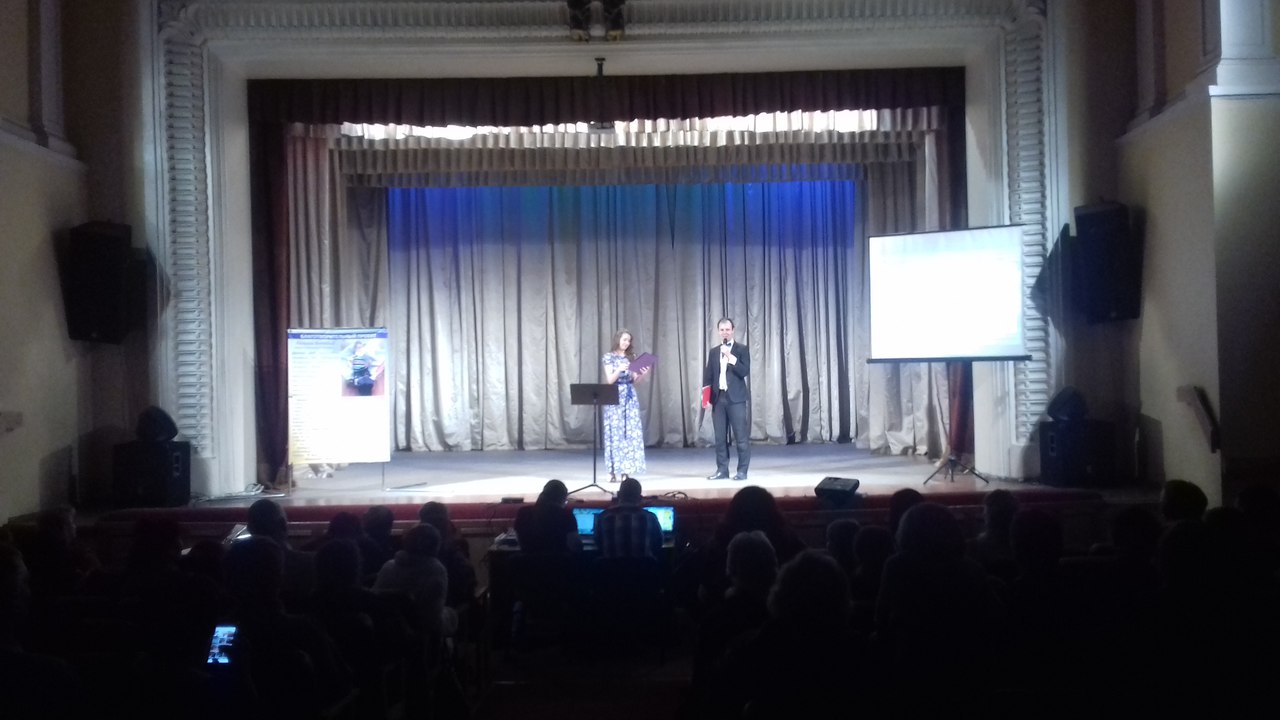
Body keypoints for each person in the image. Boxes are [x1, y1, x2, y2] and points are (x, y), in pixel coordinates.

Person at [703, 317, 751, 480]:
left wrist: (730, 356)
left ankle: (742, 471)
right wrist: (706, 399)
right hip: (719, 399)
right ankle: (722, 470)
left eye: (727, 329)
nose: (725, 332)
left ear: (733, 330)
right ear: (718, 332)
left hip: (736, 399)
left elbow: (744, 371)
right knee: (719, 438)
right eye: (722, 330)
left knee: (741, 437)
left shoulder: (741, 349)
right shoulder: (713, 352)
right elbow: (708, 376)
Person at [601, 329, 649, 482]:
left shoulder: (631, 357)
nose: (626, 343)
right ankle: (612, 471)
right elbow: (610, 380)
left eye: (629, 340)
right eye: (624, 340)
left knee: (628, 434)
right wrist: (619, 369)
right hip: (614, 397)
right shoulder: (609, 357)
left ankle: (625, 470)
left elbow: (634, 380)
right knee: (614, 434)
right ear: (618, 340)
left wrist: (642, 373)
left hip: (629, 397)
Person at [596, 478, 663, 559]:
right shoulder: (650, 517)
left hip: (611, 567)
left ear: (618, 495)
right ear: (640, 498)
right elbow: (658, 545)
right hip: (643, 566)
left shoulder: (603, 517)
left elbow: (599, 544)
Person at [513, 479, 581, 554]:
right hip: (558, 560)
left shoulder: (523, 512)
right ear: (561, 498)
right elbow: (575, 545)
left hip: (528, 560)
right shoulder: (566, 514)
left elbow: (520, 541)